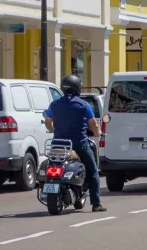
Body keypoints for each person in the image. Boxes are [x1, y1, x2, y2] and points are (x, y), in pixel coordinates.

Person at [43, 74, 105, 212]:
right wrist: (98, 133)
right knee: (93, 171)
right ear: (77, 88)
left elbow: (48, 121)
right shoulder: (84, 105)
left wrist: (54, 131)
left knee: (53, 164)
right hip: (79, 143)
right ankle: (96, 204)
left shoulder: (54, 104)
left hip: (58, 144)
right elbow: (93, 124)